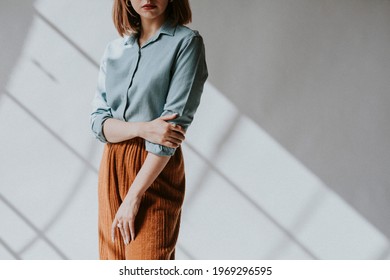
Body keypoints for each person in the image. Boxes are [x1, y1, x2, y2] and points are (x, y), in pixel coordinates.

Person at [90, 0, 208, 260]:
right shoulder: (114, 50)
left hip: (154, 167)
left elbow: (169, 132)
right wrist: (143, 128)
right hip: (111, 166)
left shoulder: (186, 43)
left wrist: (134, 197)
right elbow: (98, 123)